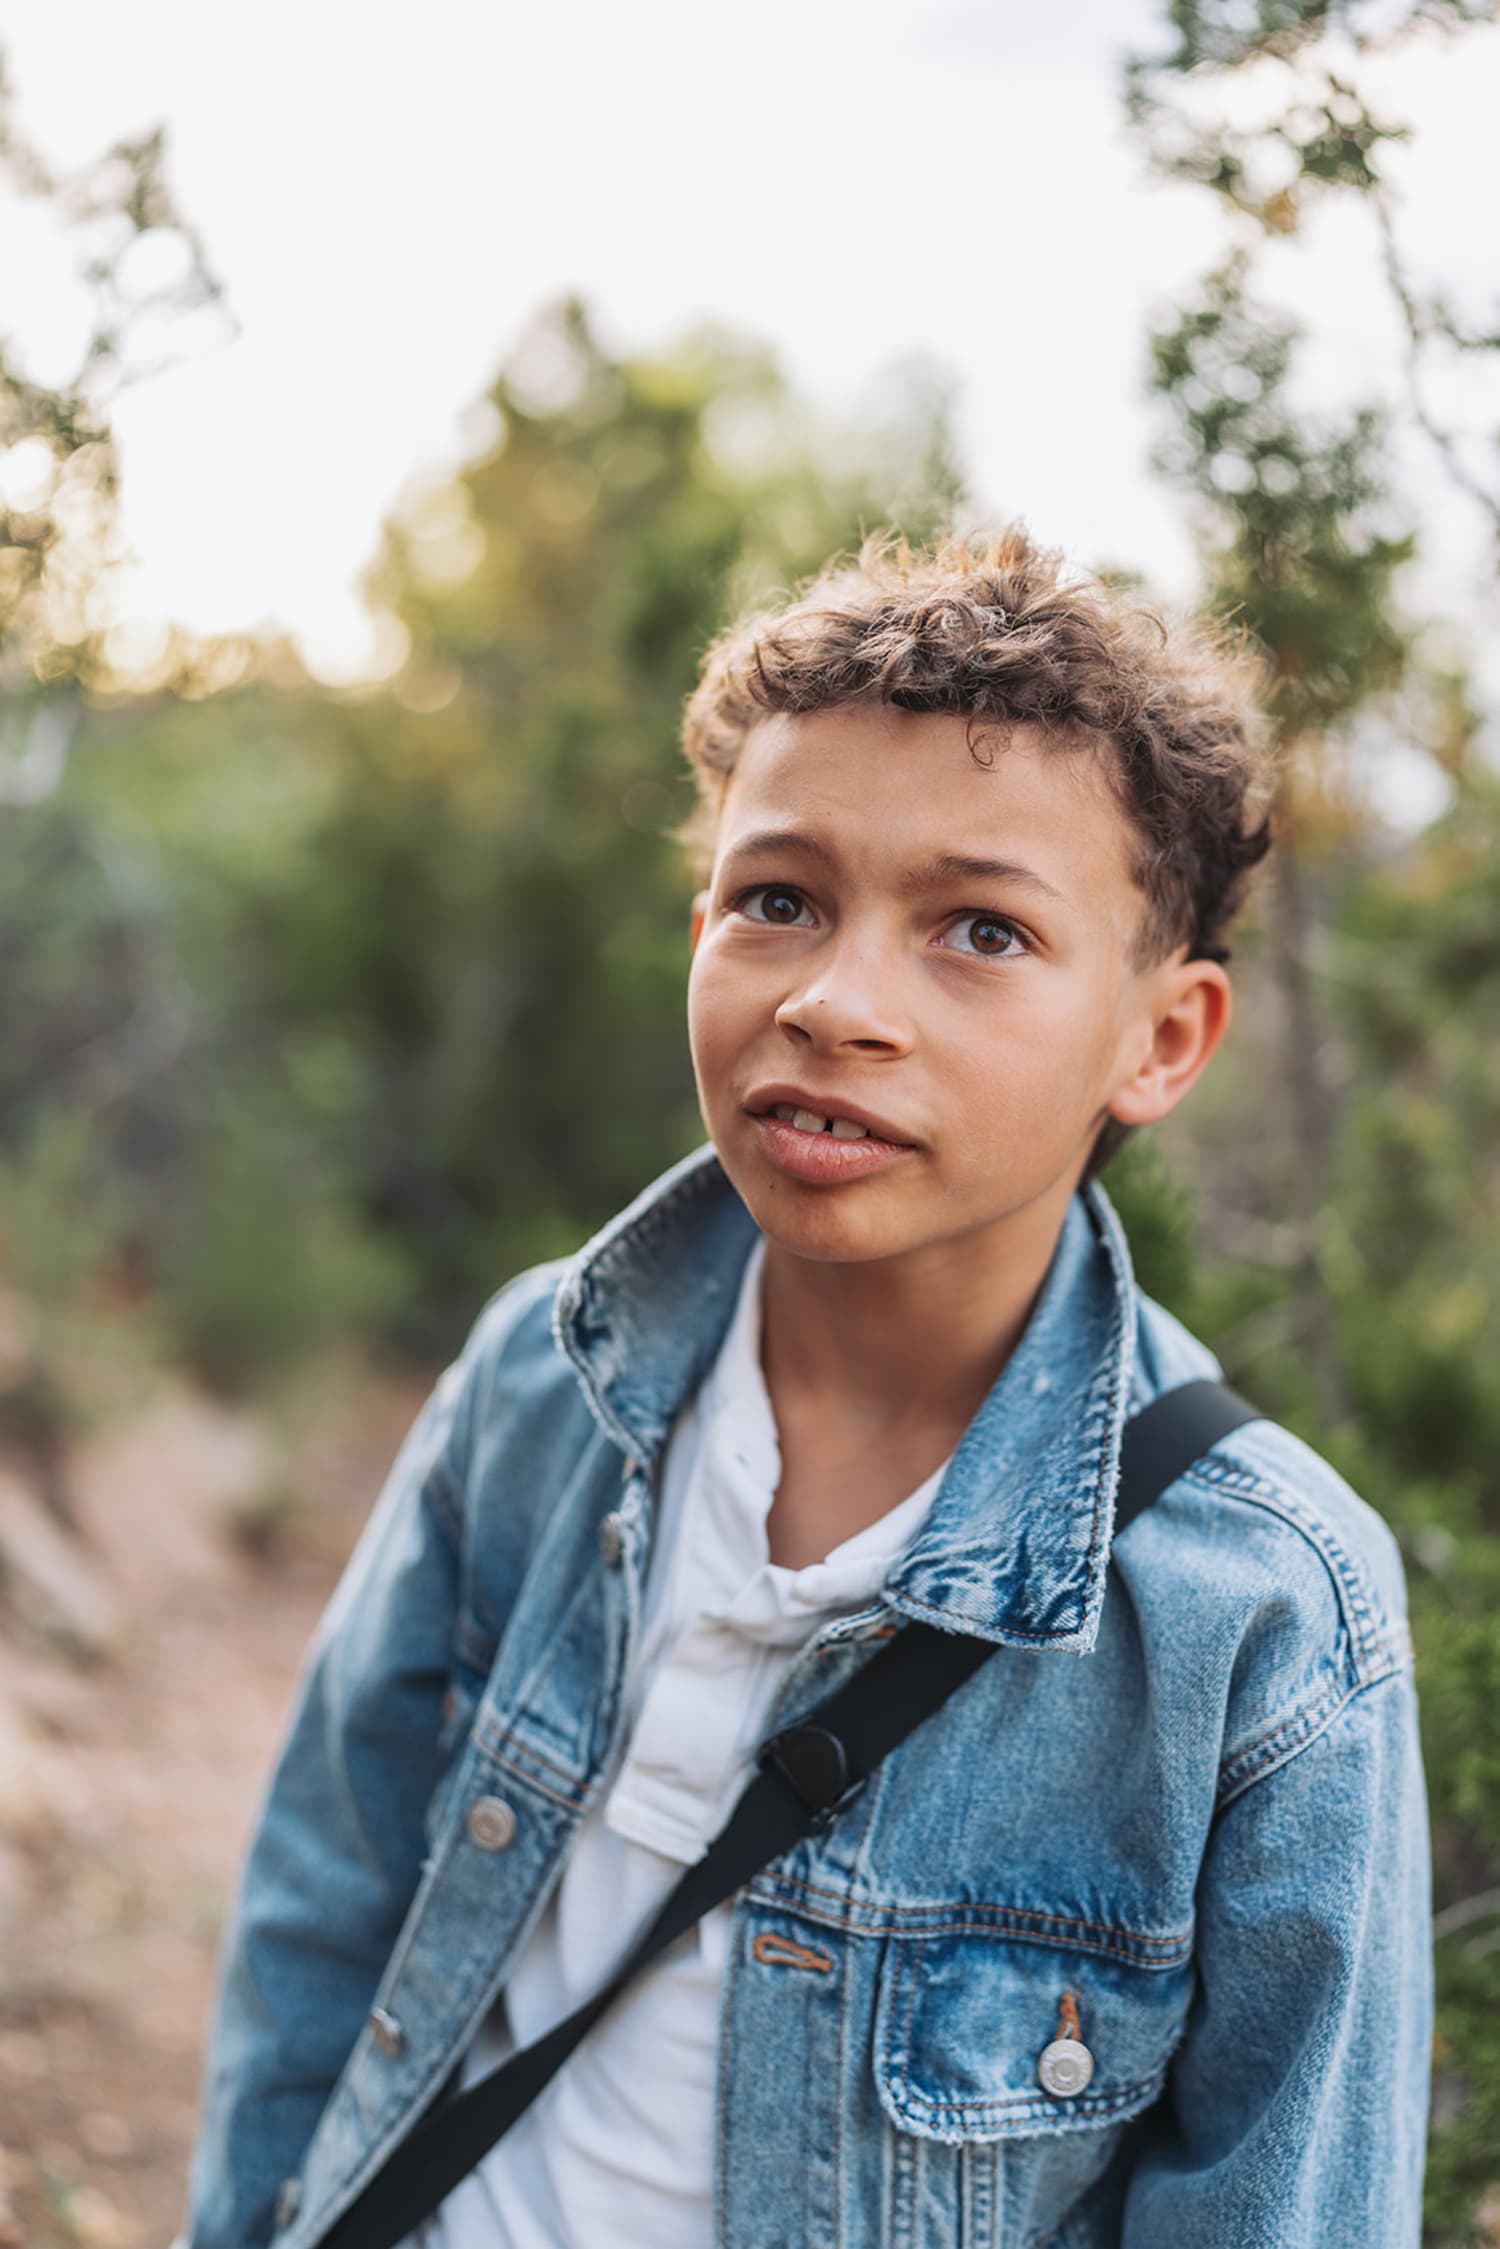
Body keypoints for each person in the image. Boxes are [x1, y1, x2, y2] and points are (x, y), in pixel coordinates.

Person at [177, 530, 1431, 2249]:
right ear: (702, 928)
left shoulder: (1265, 1611)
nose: (836, 1001)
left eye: (981, 929)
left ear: (1162, 1039)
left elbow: (1280, 2206)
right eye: (779, 900)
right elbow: (325, 1911)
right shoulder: (541, 1382)